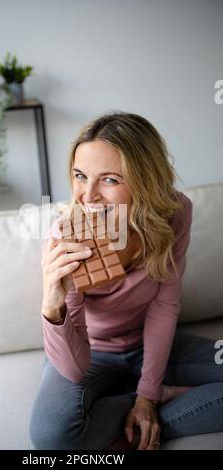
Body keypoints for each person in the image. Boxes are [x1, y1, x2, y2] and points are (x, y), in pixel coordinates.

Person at [29, 112, 223, 450]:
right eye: (80, 176)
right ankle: (146, 405)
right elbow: (75, 370)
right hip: (90, 353)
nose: (87, 196)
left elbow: (164, 306)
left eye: (109, 180)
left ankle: (146, 406)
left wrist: (147, 396)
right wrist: (51, 302)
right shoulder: (67, 237)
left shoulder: (174, 213)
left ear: (144, 180)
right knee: (52, 436)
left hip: (151, 346)